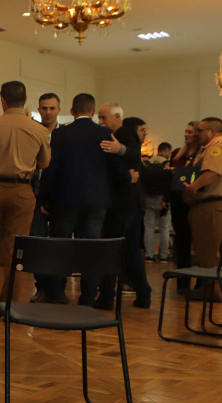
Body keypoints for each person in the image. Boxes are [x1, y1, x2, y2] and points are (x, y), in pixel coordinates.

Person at [39, 94, 129, 304]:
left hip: (65, 199)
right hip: (96, 200)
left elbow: (52, 168)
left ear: (71, 111)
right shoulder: (104, 133)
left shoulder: (62, 134)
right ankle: (88, 296)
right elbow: (114, 167)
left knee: (60, 246)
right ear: (93, 111)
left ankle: (55, 293)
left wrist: (44, 197)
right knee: (90, 248)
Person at [0, 81, 50, 315]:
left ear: (2, 101)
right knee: (15, 249)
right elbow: (44, 163)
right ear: (25, 100)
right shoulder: (39, 129)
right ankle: (9, 306)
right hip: (22, 191)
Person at [94, 115, 152, 309]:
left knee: (113, 249)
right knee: (130, 250)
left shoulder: (121, 136)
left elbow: (117, 166)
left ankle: (107, 296)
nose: (101, 121)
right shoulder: (127, 139)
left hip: (120, 203)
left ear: (117, 117)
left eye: (103, 117)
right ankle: (143, 293)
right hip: (133, 203)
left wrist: (121, 155)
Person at [184, 117, 222, 299]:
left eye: (201, 130)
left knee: (208, 251)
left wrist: (192, 187)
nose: (197, 134)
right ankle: (210, 289)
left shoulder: (216, 147)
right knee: (210, 250)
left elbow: (213, 172)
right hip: (212, 205)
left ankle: (212, 292)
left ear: (212, 132)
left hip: (210, 205)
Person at [29, 93, 62, 303]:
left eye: (51, 108)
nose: (47, 112)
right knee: (37, 244)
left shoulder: (66, 136)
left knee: (60, 244)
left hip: (60, 198)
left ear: (58, 109)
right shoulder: (32, 132)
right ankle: (41, 287)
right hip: (34, 195)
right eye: (43, 108)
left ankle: (58, 289)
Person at [168, 122, 203, 294]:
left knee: (199, 243)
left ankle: (201, 283)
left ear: (198, 134)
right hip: (178, 201)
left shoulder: (203, 153)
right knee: (181, 243)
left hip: (196, 202)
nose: (185, 134)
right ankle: (182, 283)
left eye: (190, 132)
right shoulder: (177, 153)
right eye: (185, 131)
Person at [141, 141, 173, 262]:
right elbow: (170, 184)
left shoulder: (147, 164)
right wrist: (166, 199)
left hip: (148, 198)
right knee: (164, 228)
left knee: (148, 227)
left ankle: (149, 255)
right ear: (165, 151)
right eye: (169, 152)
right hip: (163, 199)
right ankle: (164, 255)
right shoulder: (167, 164)